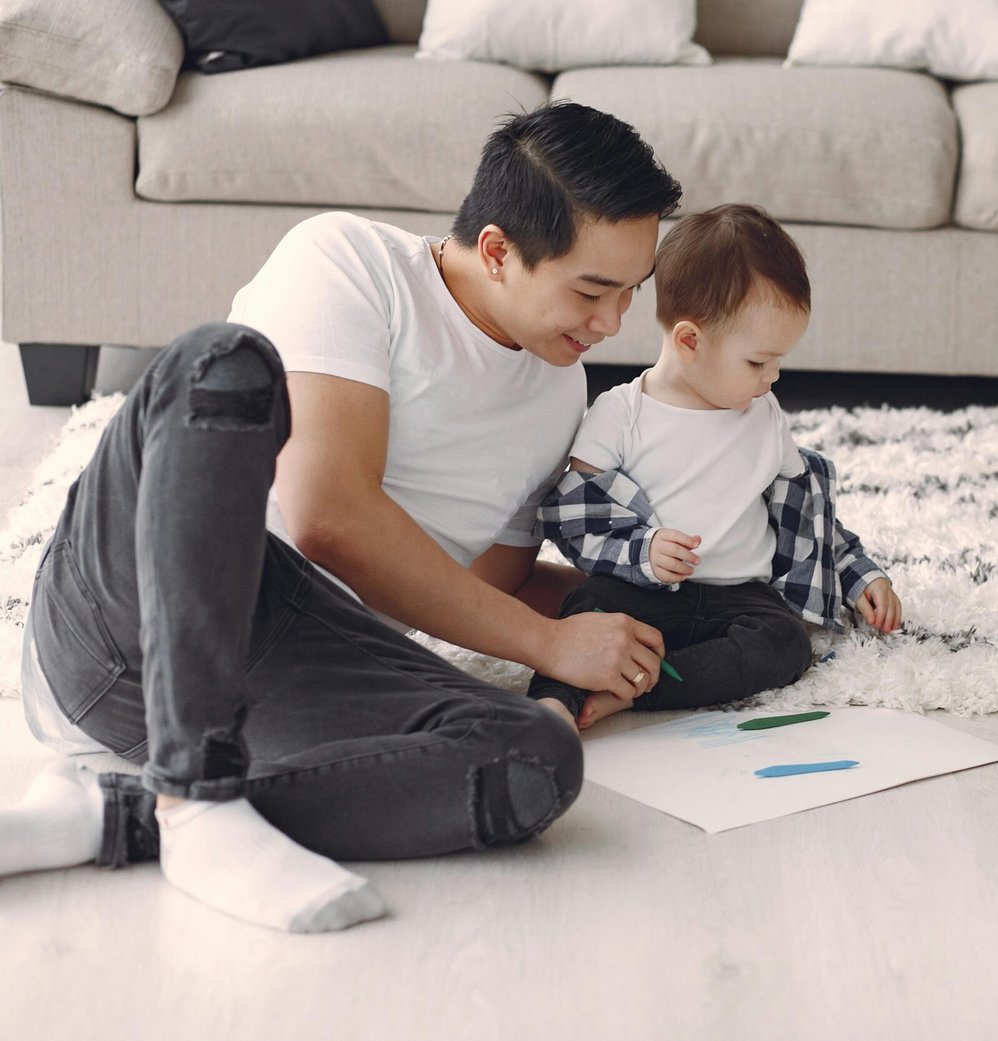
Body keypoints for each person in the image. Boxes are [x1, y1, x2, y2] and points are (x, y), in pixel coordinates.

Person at [0, 102, 679, 933]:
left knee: (536, 756)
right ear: (499, 250)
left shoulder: (557, 390)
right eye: (592, 290)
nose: (612, 324)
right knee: (221, 362)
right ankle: (200, 792)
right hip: (135, 618)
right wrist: (547, 642)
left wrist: (625, 609)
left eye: (630, 294)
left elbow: (477, 590)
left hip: (293, 663)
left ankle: (132, 815)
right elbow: (328, 515)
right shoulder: (348, 261)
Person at [530, 204, 902, 730]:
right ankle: (554, 703)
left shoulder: (764, 417)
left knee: (786, 646)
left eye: (779, 362)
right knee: (587, 607)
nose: (772, 377)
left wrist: (858, 574)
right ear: (689, 342)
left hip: (741, 599)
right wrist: (644, 551)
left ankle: (643, 690)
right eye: (757, 361)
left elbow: (808, 518)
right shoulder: (623, 412)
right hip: (642, 592)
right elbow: (573, 514)